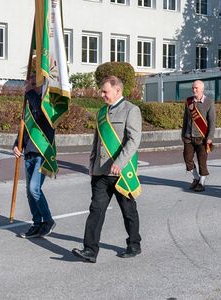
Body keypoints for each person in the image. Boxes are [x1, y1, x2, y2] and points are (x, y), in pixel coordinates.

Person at [72, 75, 142, 263]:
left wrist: (120, 162)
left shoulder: (131, 110)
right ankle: (90, 250)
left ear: (117, 90)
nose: (102, 94)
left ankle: (134, 244)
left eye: (105, 91)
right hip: (101, 172)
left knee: (128, 210)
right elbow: (97, 141)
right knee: (96, 209)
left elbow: (134, 141)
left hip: (121, 172)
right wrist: (92, 164)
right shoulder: (102, 112)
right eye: (102, 91)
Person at [13, 75, 56, 238]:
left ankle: (48, 220)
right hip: (29, 152)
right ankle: (37, 224)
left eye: (33, 84)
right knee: (29, 192)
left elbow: (41, 115)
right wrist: (17, 145)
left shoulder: (47, 104)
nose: (29, 87)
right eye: (28, 84)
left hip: (43, 153)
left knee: (34, 188)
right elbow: (24, 128)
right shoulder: (29, 104)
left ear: (41, 86)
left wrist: (30, 94)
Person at [181, 80, 216, 192]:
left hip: (202, 138)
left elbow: (212, 122)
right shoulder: (189, 101)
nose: (194, 90)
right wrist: (183, 134)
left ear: (202, 89)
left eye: (196, 88)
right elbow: (185, 119)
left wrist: (210, 137)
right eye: (193, 88)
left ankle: (201, 182)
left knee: (202, 161)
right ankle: (196, 178)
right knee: (188, 159)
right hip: (188, 136)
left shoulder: (209, 102)